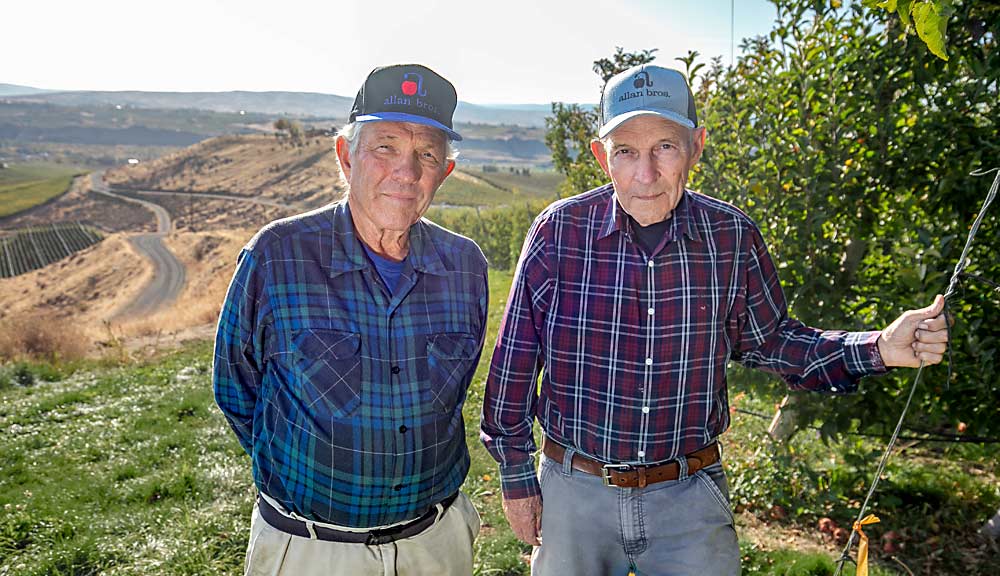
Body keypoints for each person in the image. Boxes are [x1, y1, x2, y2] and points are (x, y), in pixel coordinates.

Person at [480, 64, 950, 576]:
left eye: (665, 147)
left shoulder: (730, 237)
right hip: (575, 491)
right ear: (601, 157)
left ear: (696, 148)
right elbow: (514, 364)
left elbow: (775, 342)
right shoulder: (560, 232)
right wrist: (517, 479)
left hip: (688, 497)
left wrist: (879, 347)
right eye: (626, 151)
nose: (645, 174)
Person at [214, 64, 487, 576]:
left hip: (436, 542)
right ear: (346, 156)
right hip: (312, 549)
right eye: (384, 147)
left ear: (444, 172)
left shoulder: (464, 264)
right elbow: (235, 385)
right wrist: (309, 472)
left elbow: (458, 389)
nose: (405, 172)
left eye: (426, 154)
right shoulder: (278, 255)